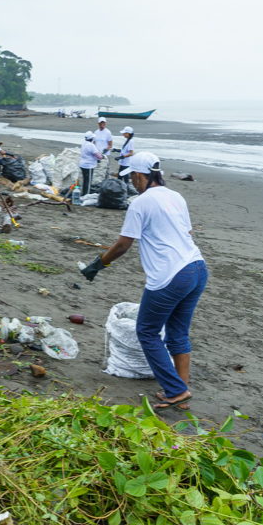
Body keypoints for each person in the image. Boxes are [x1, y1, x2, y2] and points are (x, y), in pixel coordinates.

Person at [79, 151, 207, 410]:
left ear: (139, 175)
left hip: (170, 275)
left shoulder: (140, 202)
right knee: (178, 332)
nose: (132, 183)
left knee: (147, 331)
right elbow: (188, 232)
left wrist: (99, 264)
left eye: (132, 178)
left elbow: (124, 244)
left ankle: (176, 390)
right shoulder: (176, 196)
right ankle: (181, 394)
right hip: (197, 268)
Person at [78, 131, 105, 195]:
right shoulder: (91, 145)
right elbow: (97, 155)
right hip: (88, 166)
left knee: (85, 180)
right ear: (91, 138)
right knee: (88, 181)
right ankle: (86, 195)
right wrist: (102, 157)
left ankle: (83, 193)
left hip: (82, 164)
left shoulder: (84, 144)